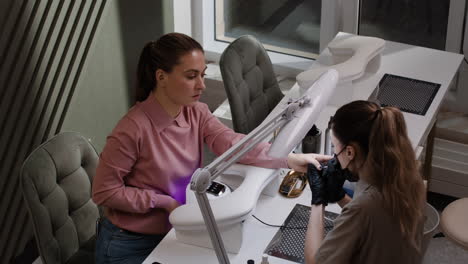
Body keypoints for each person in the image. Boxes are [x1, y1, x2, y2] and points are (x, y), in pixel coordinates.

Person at [92, 32, 325, 264]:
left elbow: (232, 144)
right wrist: (164, 202)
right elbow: (103, 191)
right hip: (130, 243)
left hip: (178, 228)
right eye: (191, 76)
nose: (201, 85)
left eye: (202, 75)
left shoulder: (196, 111)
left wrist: (288, 160)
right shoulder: (131, 129)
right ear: (161, 77)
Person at [305, 100, 426, 264]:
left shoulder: (362, 209)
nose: (334, 154)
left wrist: (318, 201)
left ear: (350, 152)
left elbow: (315, 262)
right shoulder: (403, 176)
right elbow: (373, 222)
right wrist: (339, 196)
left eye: (334, 147)